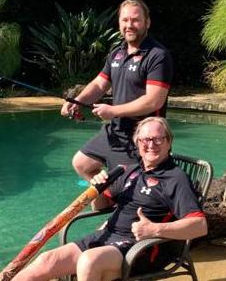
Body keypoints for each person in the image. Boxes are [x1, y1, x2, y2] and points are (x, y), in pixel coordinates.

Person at [13, 117, 208, 280]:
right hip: (107, 237)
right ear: (137, 142)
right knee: (46, 261)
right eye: (145, 140)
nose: (151, 145)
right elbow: (101, 207)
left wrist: (154, 229)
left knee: (89, 262)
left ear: (169, 142)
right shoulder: (131, 170)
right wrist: (97, 188)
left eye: (158, 139)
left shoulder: (175, 178)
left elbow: (199, 226)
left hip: (141, 248)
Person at [61, 0, 173, 181]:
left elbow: (154, 101)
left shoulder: (157, 55)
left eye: (136, 20)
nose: (130, 25)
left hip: (141, 137)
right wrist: (77, 100)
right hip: (115, 131)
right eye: (125, 20)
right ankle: (108, 197)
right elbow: (99, 84)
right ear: (119, 22)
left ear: (147, 22)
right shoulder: (117, 53)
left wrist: (113, 111)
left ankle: (116, 199)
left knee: (128, 189)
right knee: (82, 163)